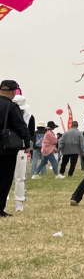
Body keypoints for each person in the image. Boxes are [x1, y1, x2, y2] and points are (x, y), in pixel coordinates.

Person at [1, 79, 33, 217]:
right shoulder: (11, 107)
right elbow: (21, 126)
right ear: (13, 92)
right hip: (7, 148)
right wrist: (27, 142)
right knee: (5, 178)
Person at [10, 93, 34, 212]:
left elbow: (31, 132)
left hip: (21, 149)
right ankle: (4, 199)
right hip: (7, 148)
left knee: (20, 177)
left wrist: (27, 143)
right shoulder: (6, 115)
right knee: (5, 176)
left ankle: (19, 201)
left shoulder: (29, 117)